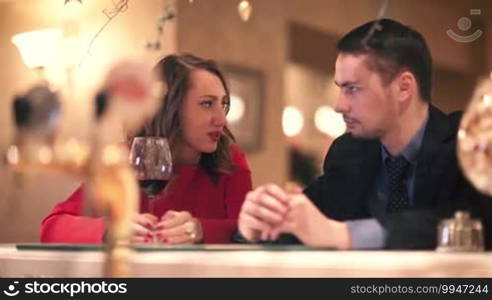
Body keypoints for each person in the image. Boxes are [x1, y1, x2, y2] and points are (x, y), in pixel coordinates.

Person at [237, 18, 491, 250]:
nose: (339, 105)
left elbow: (482, 221)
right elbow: (306, 225)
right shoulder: (348, 152)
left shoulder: (470, 143)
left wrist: (345, 234)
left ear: (403, 88)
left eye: (352, 89)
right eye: (340, 89)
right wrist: (259, 226)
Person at [41, 54, 253, 244]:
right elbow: (51, 227)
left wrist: (200, 229)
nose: (222, 120)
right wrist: (110, 229)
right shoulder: (122, 159)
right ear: (171, 107)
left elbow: (248, 231)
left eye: (223, 104)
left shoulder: (230, 161)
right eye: (207, 104)